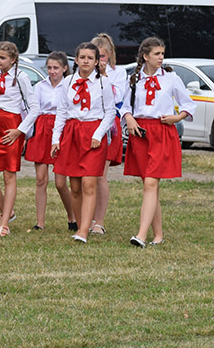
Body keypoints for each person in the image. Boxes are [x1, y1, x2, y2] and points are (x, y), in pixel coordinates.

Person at [121, 37, 195, 247]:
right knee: (149, 186)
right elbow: (124, 106)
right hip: (141, 133)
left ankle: (141, 236)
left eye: (162, 53)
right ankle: (159, 235)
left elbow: (188, 104)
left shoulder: (171, 78)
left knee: (151, 183)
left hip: (162, 132)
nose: (161, 57)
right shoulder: (134, 79)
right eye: (157, 54)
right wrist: (129, 118)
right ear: (145, 56)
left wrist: (176, 118)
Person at [51, 42, 115, 244]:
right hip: (72, 133)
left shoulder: (103, 83)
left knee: (89, 183)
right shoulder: (68, 81)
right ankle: (80, 225)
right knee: (75, 185)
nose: (86, 61)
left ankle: (85, 230)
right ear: (76, 60)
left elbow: (110, 112)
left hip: (93, 133)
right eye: (82, 57)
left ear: (96, 62)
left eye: (90, 58)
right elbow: (61, 111)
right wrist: (56, 139)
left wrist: (98, 134)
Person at [0, 41, 39, 237]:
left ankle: (4, 224)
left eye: (2, 58)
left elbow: (35, 108)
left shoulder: (21, 77)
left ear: (13, 59)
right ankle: (7, 211)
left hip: (11, 127)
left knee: (9, 175)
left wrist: (19, 131)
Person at [24, 52, 76, 232]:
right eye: (49, 68)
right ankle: (40, 222)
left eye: (56, 68)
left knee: (61, 182)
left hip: (61, 128)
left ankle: (72, 216)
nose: (52, 71)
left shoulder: (69, 86)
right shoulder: (39, 86)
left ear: (64, 68)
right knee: (40, 179)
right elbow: (33, 109)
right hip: (42, 128)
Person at [90, 33, 128, 235]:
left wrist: (104, 76)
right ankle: (86, 217)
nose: (99, 60)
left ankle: (99, 221)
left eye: (102, 56)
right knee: (87, 175)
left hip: (109, 125)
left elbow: (117, 96)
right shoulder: (85, 72)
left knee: (100, 175)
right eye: (95, 56)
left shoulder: (118, 72)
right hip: (88, 123)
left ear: (110, 54)